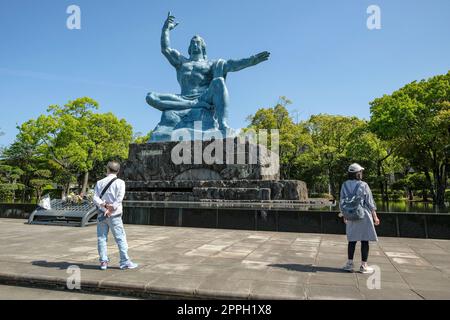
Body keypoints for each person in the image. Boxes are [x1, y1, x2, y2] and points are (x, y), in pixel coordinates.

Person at [93, 161, 138, 271]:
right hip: (115, 215)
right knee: (120, 238)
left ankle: (103, 262)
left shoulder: (99, 182)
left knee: (101, 238)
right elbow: (119, 199)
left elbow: (95, 198)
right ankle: (124, 261)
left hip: (101, 215)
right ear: (118, 171)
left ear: (107, 169)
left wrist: (104, 208)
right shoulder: (121, 182)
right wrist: (111, 209)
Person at [340, 163, 380, 274]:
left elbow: (342, 200)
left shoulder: (344, 185)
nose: (361, 173)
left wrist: (344, 214)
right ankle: (363, 266)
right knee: (364, 240)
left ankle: (349, 264)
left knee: (352, 240)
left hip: (351, 215)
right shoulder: (364, 185)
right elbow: (370, 202)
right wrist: (375, 216)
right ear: (358, 174)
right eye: (360, 172)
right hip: (364, 215)